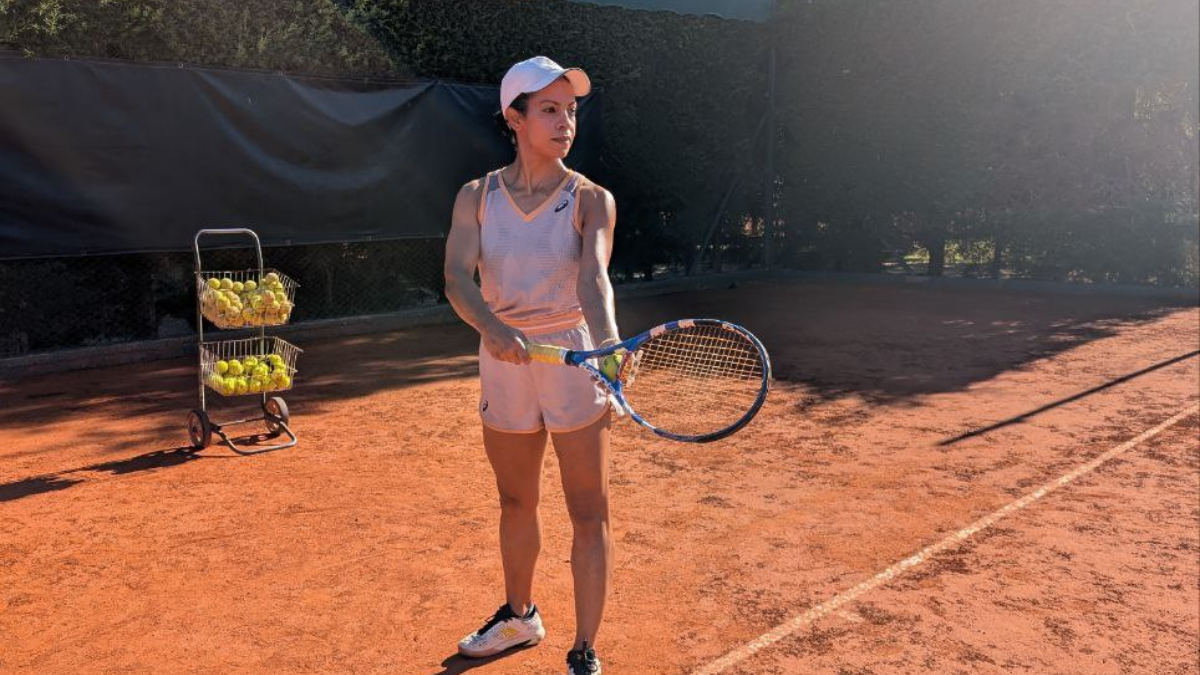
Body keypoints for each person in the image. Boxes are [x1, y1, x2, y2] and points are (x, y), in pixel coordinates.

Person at [443, 55, 619, 675]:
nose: (565, 121)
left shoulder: (591, 199)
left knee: (588, 509)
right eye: (548, 108)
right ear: (514, 117)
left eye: (571, 111)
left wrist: (609, 346)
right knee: (516, 501)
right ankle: (520, 617)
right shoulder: (477, 196)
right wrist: (491, 328)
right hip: (505, 361)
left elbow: (595, 280)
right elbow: (456, 281)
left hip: (574, 358)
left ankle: (585, 647)